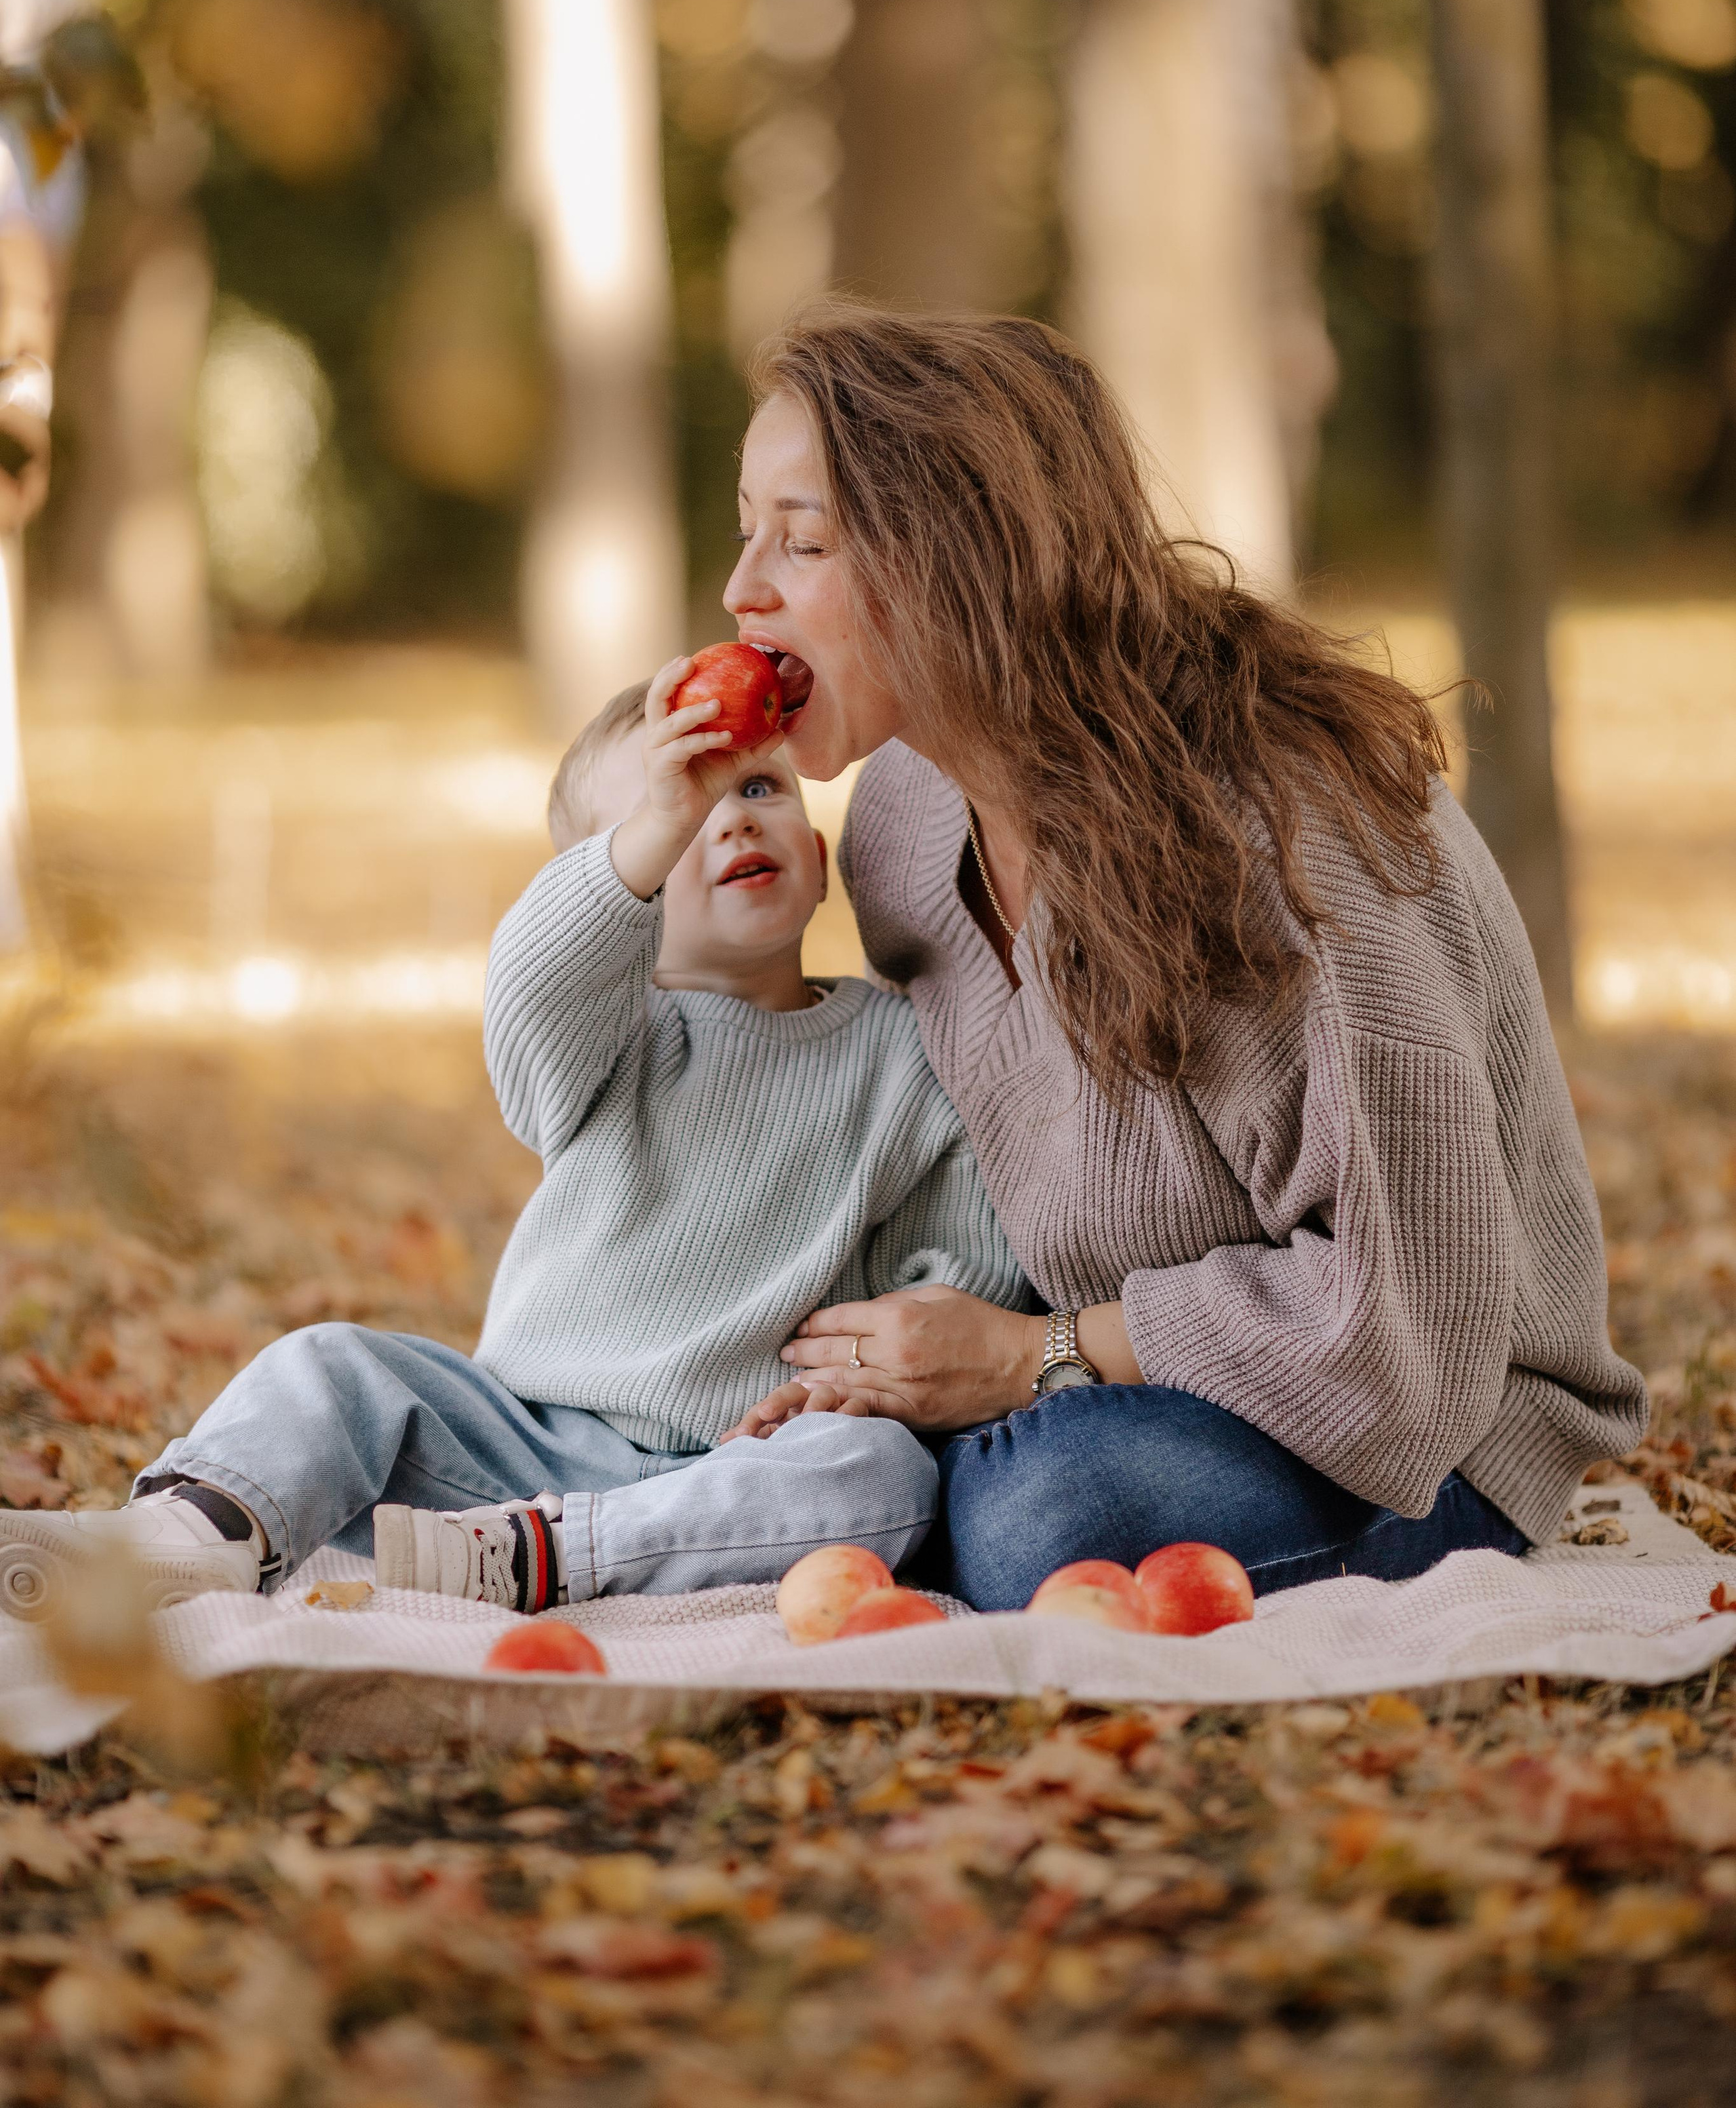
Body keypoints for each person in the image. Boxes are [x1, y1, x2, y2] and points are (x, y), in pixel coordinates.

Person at [717, 307, 1648, 1612]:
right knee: (857, 1464)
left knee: (1046, 1513)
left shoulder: (1295, 835)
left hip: (1433, 1434)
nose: (742, 590)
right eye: (746, 529)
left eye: (804, 541)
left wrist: (1029, 1361)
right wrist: (885, 1371)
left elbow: (1408, 1328)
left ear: (958, 557)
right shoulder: (905, 828)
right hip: (1133, 1391)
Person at [0, 660, 1025, 1623]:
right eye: (683, 809)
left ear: (820, 859)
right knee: (331, 1365)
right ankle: (190, 1535)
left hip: (732, 1465)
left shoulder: (902, 1050)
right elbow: (536, 977)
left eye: (760, 788)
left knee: (880, 1476)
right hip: (513, 1438)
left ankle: (542, 1558)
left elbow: (952, 1268)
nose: (731, 818)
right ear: (615, 890)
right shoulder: (604, 1037)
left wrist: (847, 1390)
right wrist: (655, 827)